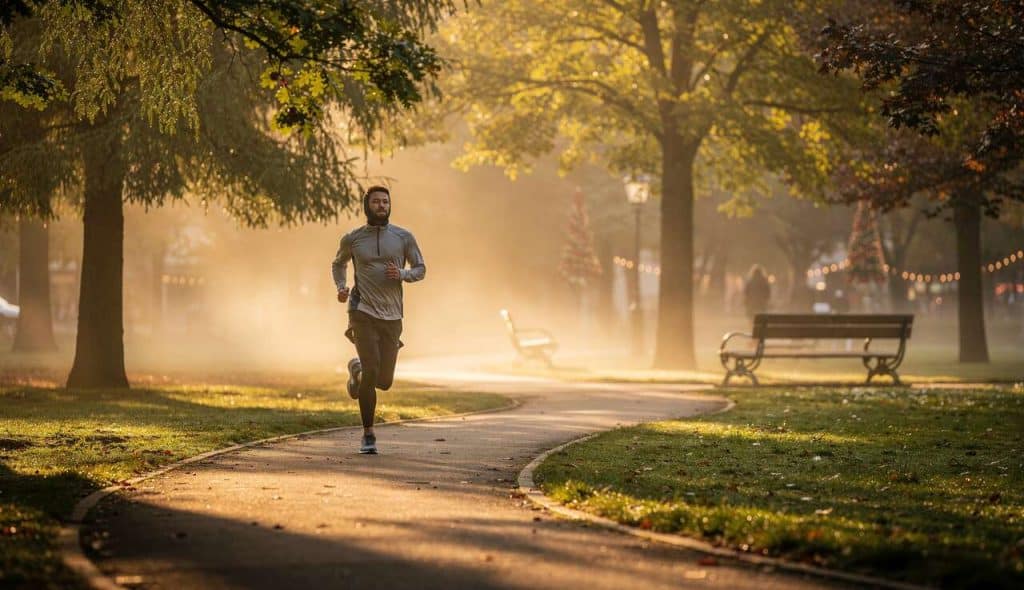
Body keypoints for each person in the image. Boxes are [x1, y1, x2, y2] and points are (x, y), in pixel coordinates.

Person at [332, 186, 425, 454]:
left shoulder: (403, 237)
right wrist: (341, 286)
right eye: (376, 202)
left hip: (393, 315)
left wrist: (403, 275)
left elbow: (421, 269)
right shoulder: (353, 238)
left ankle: (356, 370)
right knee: (373, 371)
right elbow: (338, 264)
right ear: (366, 206)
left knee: (384, 381)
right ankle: (368, 434)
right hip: (361, 311)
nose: (382, 206)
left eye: (385, 202)